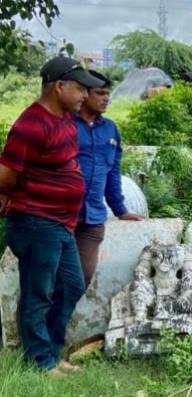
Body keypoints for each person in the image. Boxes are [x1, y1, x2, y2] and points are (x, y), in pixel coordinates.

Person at [0, 57, 104, 376]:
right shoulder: (31, 125)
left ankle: (50, 350)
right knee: (39, 291)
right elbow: (5, 176)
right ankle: (40, 361)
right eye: (80, 88)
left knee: (71, 285)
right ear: (59, 86)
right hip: (35, 221)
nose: (85, 95)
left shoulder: (64, 118)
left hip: (59, 223)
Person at [75, 70, 144, 287]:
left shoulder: (110, 129)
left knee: (81, 280)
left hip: (94, 217)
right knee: (46, 283)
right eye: (100, 93)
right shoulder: (65, 124)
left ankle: (55, 322)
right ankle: (37, 322)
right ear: (83, 93)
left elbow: (112, 172)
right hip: (62, 216)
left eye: (108, 93)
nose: (106, 98)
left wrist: (120, 210)